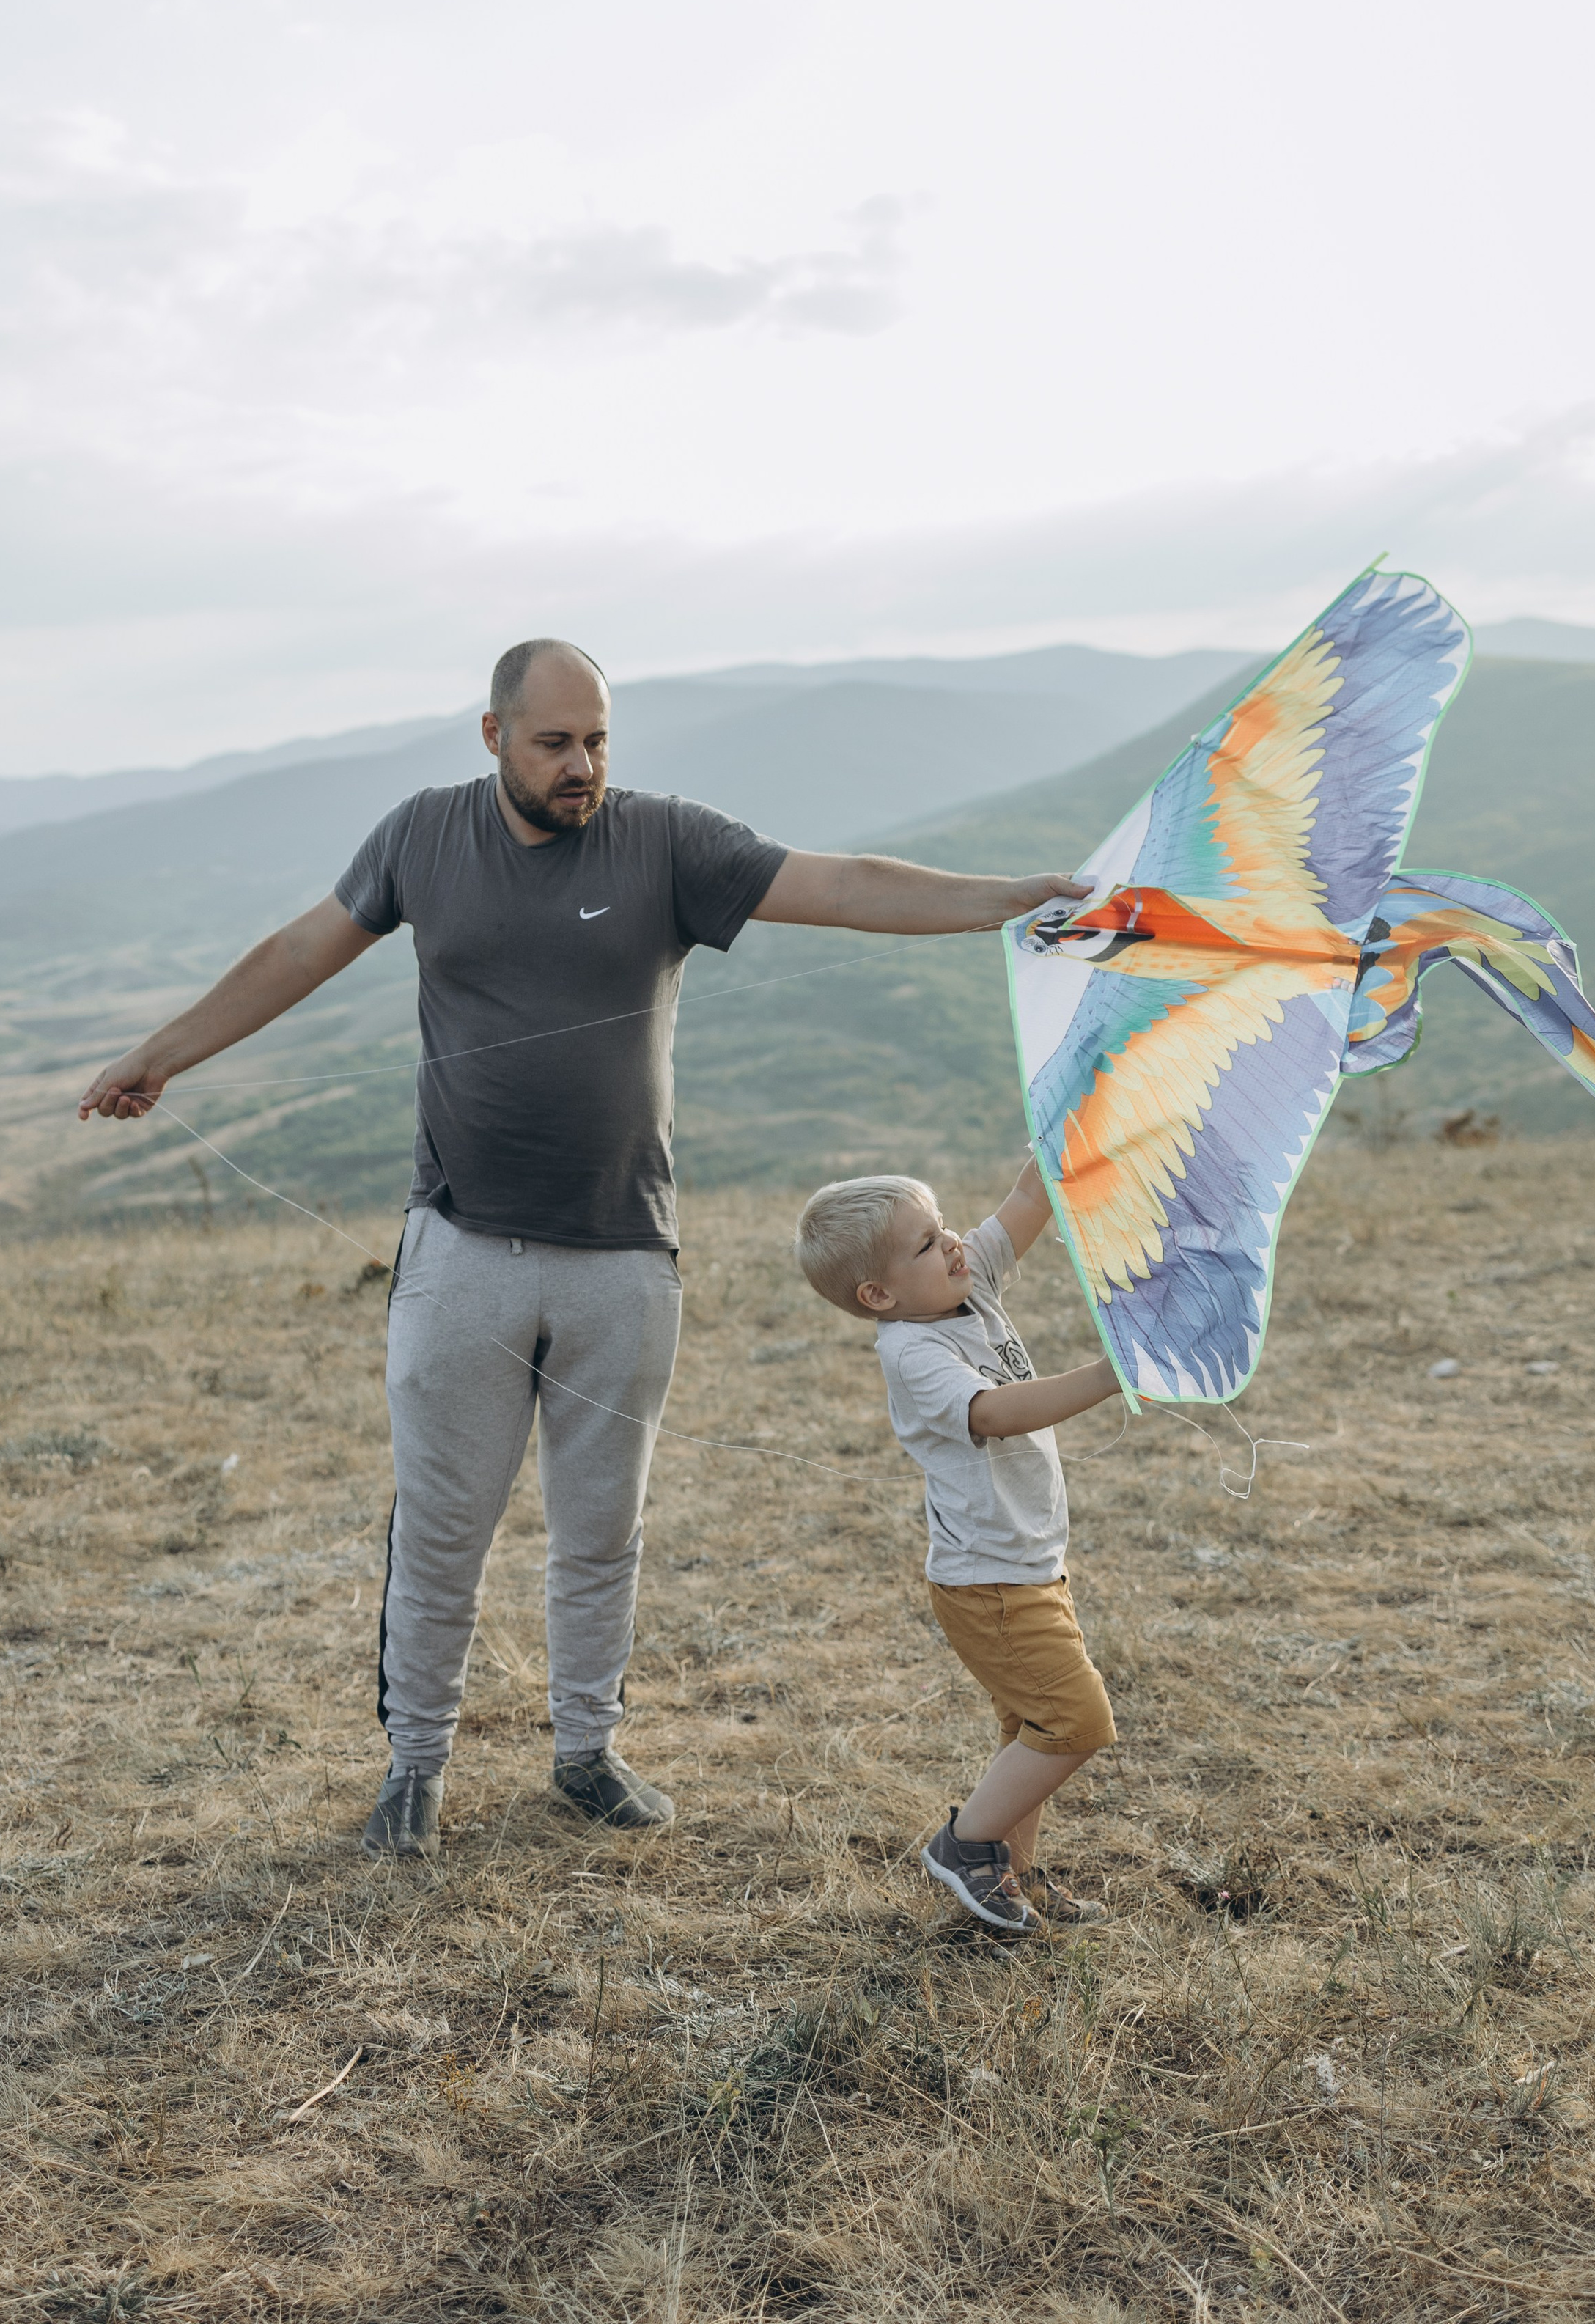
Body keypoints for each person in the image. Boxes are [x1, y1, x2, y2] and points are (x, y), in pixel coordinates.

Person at [79, 637, 1088, 1863]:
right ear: (494, 734)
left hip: (626, 1256)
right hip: (460, 1248)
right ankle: (415, 1770)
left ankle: (586, 1755)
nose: (583, 766)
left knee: (600, 1528)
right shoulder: (420, 839)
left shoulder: (665, 841)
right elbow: (300, 952)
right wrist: (163, 1053)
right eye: (555, 742)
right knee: (445, 1526)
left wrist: (1014, 894)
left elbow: (843, 885)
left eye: (599, 739)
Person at [795, 1161, 1121, 1934]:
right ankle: (964, 1845)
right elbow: (996, 1413)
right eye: (924, 1244)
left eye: (942, 1227)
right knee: (1076, 1722)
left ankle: (1015, 1878)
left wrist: (1063, 1130)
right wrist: (1110, 1375)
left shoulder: (958, 1281)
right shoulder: (911, 1352)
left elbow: (1025, 1201)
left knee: (1026, 1731)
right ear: (878, 1296)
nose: (950, 1245)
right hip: (991, 1587)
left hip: (1029, 1570)